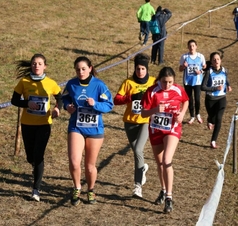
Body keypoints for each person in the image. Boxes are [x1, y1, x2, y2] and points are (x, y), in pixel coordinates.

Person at [62, 56, 114, 206]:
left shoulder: (99, 85)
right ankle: (77, 187)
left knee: (90, 166)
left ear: (90, 68)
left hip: (94, 129)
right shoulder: (71, 84)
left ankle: (91, 190)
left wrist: (95, 104)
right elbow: (64, 98)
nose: (80, 72)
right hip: (76, 127)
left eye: (83, 69)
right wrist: (67, 107)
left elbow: (109, 105)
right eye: (78, 69)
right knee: (74, 161)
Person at [10, 53, 63, 202]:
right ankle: (34, 165)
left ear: (45, 66)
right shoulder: (24, 82)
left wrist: (58, 108)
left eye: (40, 63)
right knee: (30, 157)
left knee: (39, 155)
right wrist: (27, 104)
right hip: (27, 123)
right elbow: (14, 100)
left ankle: (36, 189)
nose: (36, 66)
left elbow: (60, 98)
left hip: (44, 124)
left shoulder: (51, 83)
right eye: (34, 63)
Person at [141, 67, 189, 214]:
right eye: (164, 82)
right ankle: (163, 190)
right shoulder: (152, 91)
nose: (167, 85)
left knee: (167, 160)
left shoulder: (178, 89)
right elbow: (143, 113)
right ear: (159, 80)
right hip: (155, 130)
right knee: (160, 163)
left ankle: (169, 197)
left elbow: (186, 100)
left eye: (170, 82)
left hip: (173, 128)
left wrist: (182, 114)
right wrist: (155, 110)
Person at [113, 53, 156, 198]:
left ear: (147, 69)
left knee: (138, 150)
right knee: (137, 153)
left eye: (143, 69)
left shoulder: (153, 82)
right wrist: (130, 97)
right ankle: (142, 168)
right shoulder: (128, 82)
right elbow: (116, 100)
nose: (140, 71)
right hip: (130, 122)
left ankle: (137, 186)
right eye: (138, 68)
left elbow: (160, 96)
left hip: (145, 121)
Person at [201, 52, 232, 149]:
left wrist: (228, 85)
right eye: (214, 60)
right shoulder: (209, 72)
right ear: (211, 62)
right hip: (210, 100)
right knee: (213, 118)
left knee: (219, 119)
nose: (216, 61)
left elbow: (226, 79)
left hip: (221, 98)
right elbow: (203, 87)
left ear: (220, 60)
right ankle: (210, 120)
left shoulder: (224, 70)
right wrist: (215, 88)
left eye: (218, 59)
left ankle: (213, 140)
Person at [178, 39, 206, 125]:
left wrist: (200, 72)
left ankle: (197, 114)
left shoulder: (201, 56)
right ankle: (192, 116)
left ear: (196, 47)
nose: (191, 47)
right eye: (190, 46)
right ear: (188, 47)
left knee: (197, 99)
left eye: (193, 46)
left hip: (197, 81)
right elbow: (180, 69)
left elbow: (205, 67)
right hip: (188, 82)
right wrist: (183, 66)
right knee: (189, 99)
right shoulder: (184, 57)